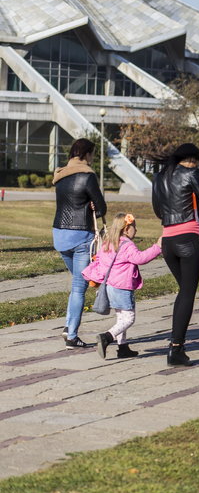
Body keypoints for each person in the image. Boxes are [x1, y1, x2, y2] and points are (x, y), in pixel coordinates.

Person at [151, 143, 199, 367]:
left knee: (184, 292)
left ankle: (177, 346)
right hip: (188, 238)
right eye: (197, 162)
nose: (197, 165)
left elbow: (158, 210)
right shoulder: (191, 173)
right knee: (187, 294)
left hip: (168, 240)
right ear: (192, 160)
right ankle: (176, 348)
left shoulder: (159, 178)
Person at [84, 213, 162, 359]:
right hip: (122, 287)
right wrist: (157, 247)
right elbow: (140, 258)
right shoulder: (126, 245)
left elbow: (99, 259)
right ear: (126, 229)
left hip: (109, 286)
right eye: (134, 227)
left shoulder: (108, 242)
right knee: (129, 318)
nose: (136, 230)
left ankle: (123, 347)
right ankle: (107, 337)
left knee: (121, 317)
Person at [52, 138, 106, 349]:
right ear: (87, 154)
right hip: (81, 235)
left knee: (77, 282)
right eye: (92, 154)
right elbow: (101, 208)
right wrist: (94, 206)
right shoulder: (88, 176)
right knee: (78, 287)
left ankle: (68, 327)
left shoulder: (60, 176)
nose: (92, 159)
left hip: (59, 234)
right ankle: (71, 334)